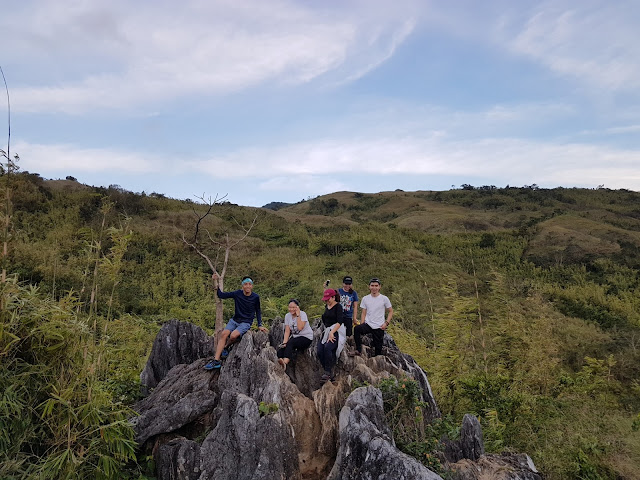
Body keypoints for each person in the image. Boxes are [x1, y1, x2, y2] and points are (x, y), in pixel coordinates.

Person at [204, 273, 267, 370]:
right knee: (224, 334)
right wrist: (215, 281)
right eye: (246, 284)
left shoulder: (255, 297)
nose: (248, 286)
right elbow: (221, 295)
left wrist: (260, 325)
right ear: (242, 286)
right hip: (235, 320)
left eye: (250, 284)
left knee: (233, 335)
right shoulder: (237, 293)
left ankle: (226, 346)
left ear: (252, 286)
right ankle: (216, 360)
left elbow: (258, 311)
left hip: (246, 322)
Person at [350, 277, 393, 357]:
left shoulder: (384, 298)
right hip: (368, 324)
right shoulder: (365, 298)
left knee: (378, 349)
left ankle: (377, 363)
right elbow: (364, 312)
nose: (374, 288)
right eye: (372, 285)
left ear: (379, 287)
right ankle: (358, 350)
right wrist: (362, 323)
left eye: (376, 286)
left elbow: (390, 311)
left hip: (379, 326)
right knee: (357, 329)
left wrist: (386, 323)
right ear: (369, 287)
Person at [317, 288, 346, 382]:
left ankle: (328, 372)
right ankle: (326, 368)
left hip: (336, 330)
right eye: (325, 299)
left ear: (333, 297)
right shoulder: (327, 306)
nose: (327, 301)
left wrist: (332, 332)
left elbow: (340, 321)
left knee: (328, 347)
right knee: (319, 350)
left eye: (328, 299)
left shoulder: (338, 307)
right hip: (327, 330)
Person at [277, 299, 313, 370]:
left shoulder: (303, 314)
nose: (291, 309)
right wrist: (284, 343)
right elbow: (287, 331)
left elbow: (300, 328)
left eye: (293, 307)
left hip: (306, 337)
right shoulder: (287, 316)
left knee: (291, 342)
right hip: (295, 338)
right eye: (290, 307)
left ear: (297, 307)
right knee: (281, 350)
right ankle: (279, 363)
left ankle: (285, 363)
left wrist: (298, 315)